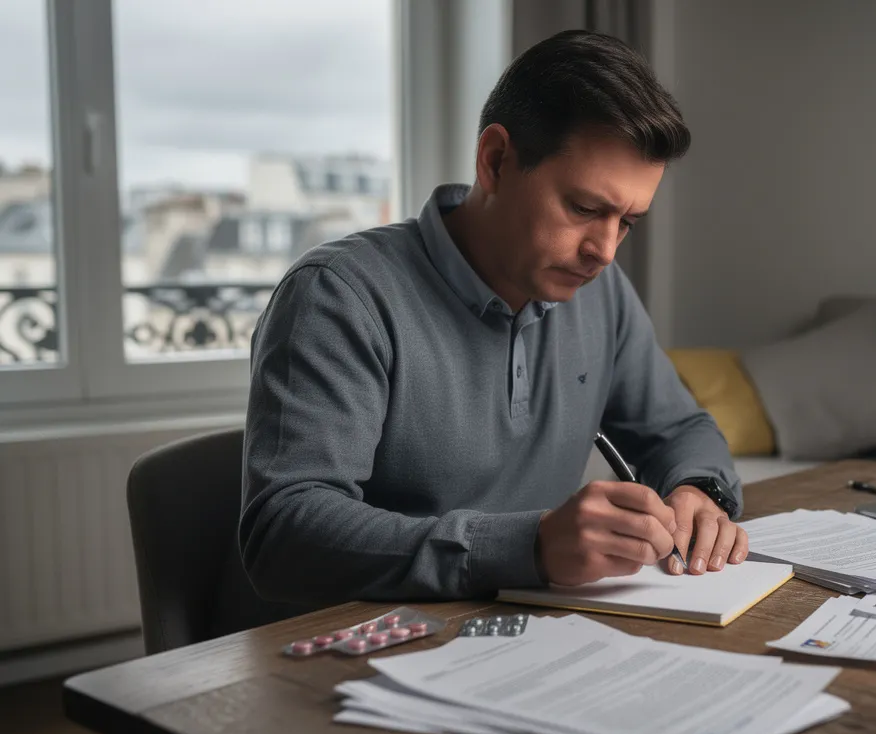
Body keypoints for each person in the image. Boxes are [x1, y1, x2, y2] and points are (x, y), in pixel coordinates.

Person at [238, 29, 747, 604]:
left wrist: (699, 491)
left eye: (627, 222)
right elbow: (282, 535)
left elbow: (680, 430)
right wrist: (527, 547)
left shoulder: (602, 294)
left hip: (531, 642)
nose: (604, 251)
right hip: (361, 655)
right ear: (496, 160)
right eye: (584, 208)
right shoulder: (338, 297)